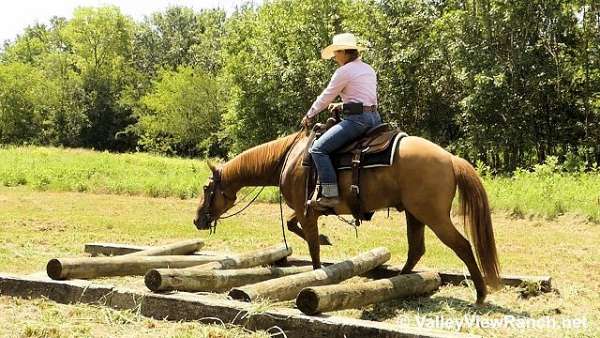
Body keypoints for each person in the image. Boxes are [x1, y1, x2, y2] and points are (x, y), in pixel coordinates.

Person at [301, 32, 382, 209]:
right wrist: (343, 106)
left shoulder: (343, 72)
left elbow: (325, 97)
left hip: (357, 121)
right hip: (375, 119)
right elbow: (366, 101)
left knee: (318, 149)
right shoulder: (368, 69)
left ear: (345, 52)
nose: (334, 57)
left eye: (336, 52)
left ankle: (330, 195)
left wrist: (309, 115)